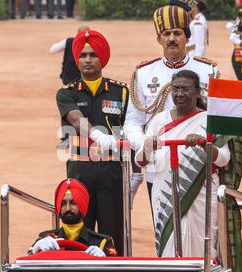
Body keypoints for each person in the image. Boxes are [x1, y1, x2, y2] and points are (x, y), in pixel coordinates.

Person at [123, 3, 220, 212]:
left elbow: (218, 118)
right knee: (163, 228)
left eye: (177, 33)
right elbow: (132, 121)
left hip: (197, 161)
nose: (172, 38)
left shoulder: (208, 71)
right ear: (159, 39)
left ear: (187, 36)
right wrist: (145, 146)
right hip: (157, 163)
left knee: (200, 229)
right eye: (166, 34)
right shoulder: (144, 73)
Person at [135, 70, 232, 257]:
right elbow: (140, 160)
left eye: (186, 89)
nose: (179, 94)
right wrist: (148, 147)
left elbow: (223, 158)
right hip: (165, 195)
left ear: (197, 92)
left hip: (200, 193)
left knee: (201, 248)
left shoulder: (209, 121)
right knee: (169, 247)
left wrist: (205, 144)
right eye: (176, 89)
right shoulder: (160, 120)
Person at [56, 29, 129, 256]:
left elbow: (131, 127)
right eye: (83, 55)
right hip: (80, 172)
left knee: (112, 234)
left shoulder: (121, 92)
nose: (87, 59)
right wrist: (98, 135)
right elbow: (75, 119)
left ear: (102, 59)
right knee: (79, 232)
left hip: (111, 171)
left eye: (93, 55)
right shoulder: (66, 93)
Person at [28, 178, 118, 257]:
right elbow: (27, 265)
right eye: (63, 204)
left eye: (73, 203)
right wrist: (35, 250)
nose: (67, 208)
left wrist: (105, 260)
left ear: (82, 205)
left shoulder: (101, 242)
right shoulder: (46, 239)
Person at [51, 25, 90, 150]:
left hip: (72, 83)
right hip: (80, 83)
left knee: (69, 110)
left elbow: (52, 49)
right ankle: (79, 138)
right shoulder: (90, 47)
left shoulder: (69, 42)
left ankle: (69, 139)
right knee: (81, 109)